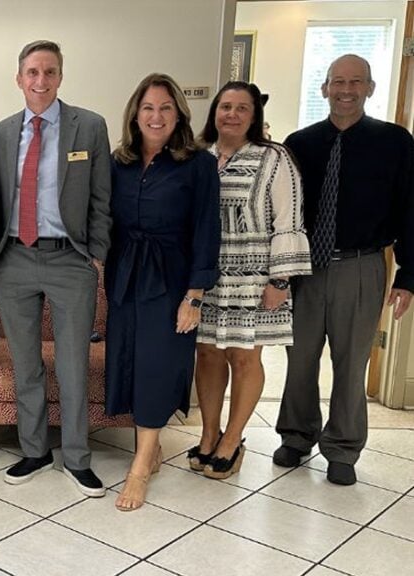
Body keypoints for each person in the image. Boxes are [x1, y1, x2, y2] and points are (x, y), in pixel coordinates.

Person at [276, 54, 414, 486]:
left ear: (370, 88)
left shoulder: (395, 142)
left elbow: (412, 209)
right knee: (298, 359)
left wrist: (408, 276)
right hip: (304, 269)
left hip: (362, 265)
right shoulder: (299, 143)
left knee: (351, 363)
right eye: (338, 81)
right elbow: (283, 211)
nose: (346, 90)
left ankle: (342, 448)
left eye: (356, 82)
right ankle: (297, 436)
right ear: (325, 88)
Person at [0, 40, 111, 496]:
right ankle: (34, 450)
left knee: (73, 363)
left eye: (50, 72)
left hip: (70, 260)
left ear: (61, 77)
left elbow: (102, 197)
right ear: (19, 78)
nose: (41, 81)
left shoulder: (89, 127)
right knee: (26, 364)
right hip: (14, 259)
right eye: (33, 72)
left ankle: (77, 458)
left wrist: (95, 252)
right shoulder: (0, 132)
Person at [105, 73, 220, 511]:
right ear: (136, 113)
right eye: (149, 107)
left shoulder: (198, 164)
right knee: (130, 362)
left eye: (165, 108)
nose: (156, 116)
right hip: (124, 276)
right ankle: (149, 450)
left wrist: (194, 296)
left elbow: (207, 231)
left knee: (157, 366)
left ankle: (138, 468)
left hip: (172, 280)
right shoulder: (120, 162)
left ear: (179, 116)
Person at [192, 82, 312, 480]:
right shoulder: (197, 154)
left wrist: (280, 278)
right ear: (214, 112)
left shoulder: (275, 158)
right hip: (207, 273)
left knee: (244, 356)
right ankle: (209, 434)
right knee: (207, 353)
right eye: (225, 106)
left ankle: (233, 439)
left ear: (254, 115)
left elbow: (289, 220)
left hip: (256, 276)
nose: (232, 114)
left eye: (242, 108)